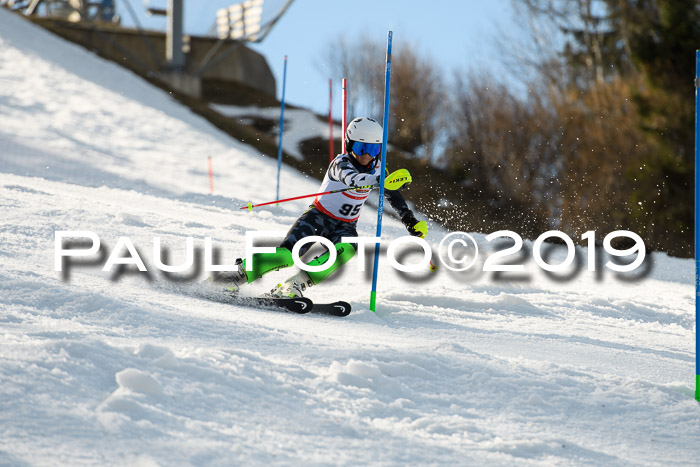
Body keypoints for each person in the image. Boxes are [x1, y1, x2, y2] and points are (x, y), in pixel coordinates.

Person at [219, 117, 428, 298]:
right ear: (348, 145)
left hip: (345, 226)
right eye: (360, 148)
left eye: (373, 149)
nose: (366, 155)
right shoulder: (340, 164)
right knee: (286, 256)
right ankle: (237, 274)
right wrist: (378, 179)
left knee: (347, 249)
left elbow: (393, 194)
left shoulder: (378, 169)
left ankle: (293, 285)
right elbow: (353, 179)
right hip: (317, 217)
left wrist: (409, 220)